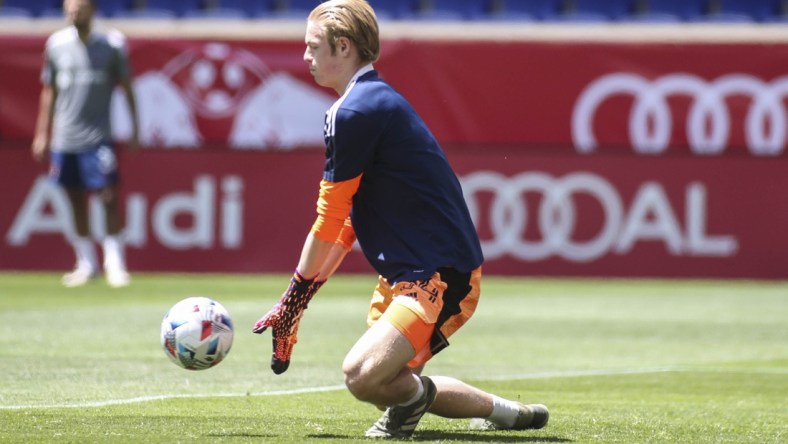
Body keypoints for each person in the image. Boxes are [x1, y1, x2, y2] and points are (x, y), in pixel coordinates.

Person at [252, 0, 548, 438]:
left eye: (313, 47)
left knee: (362, 374)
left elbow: (329, 217)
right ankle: (511, 414)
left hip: (439, 276)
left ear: (344, 46)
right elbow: (347, 224)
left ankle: (408, 411)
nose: (305, 57)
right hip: (409, 275)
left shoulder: (353, 111)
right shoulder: (366, 103)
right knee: (388, 382)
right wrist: (301, 297)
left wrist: (295, 298)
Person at [31, 0, 139, 288]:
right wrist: (43, 133)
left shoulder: (112, 45)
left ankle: (115, 264)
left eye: (79, 7)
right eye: (69, 7)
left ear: (92, 8)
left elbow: (127, 87)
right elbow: (49, 91)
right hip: (65, 138)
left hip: (99, 137)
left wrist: (135, 127)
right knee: (75, 200)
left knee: (107, 196)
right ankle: (86, 263)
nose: (73, 12)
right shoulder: (56, 45)